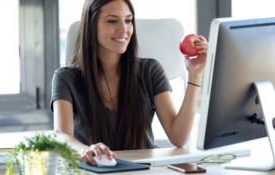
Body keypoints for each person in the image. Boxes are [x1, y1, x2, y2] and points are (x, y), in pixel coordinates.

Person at [51, 0, 208, 166]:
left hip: (145, 169)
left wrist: (195, 75)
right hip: (95, 170)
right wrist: (85, 150)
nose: (123, 29)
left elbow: (179, 138)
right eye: (112, 21)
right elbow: (62, 138)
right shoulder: (65, 78)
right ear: (91, 25)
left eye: (128, 20)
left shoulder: (150, 70)